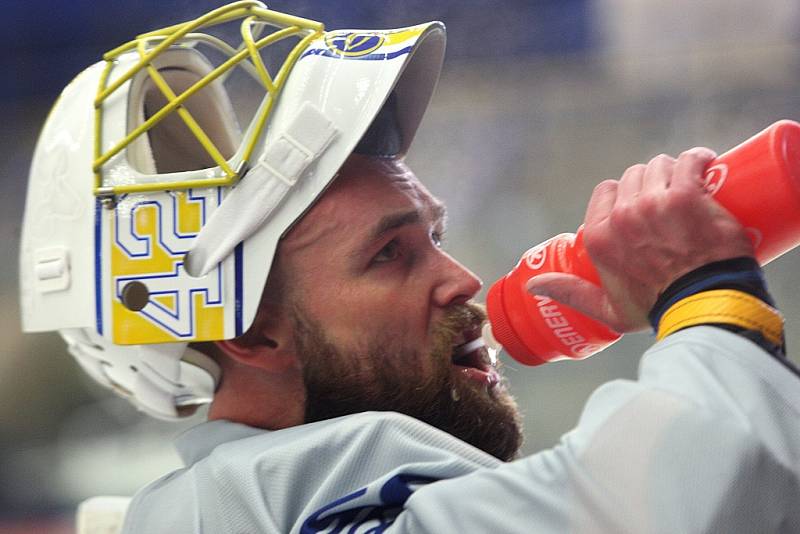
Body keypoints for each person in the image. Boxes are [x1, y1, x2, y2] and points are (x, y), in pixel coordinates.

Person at [20, 3, 800, 533]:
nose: (462, 280)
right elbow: (681, 507)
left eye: (434, 234)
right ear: (252, 334)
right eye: (388, 254)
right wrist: (702, 296)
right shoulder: (275, 499)